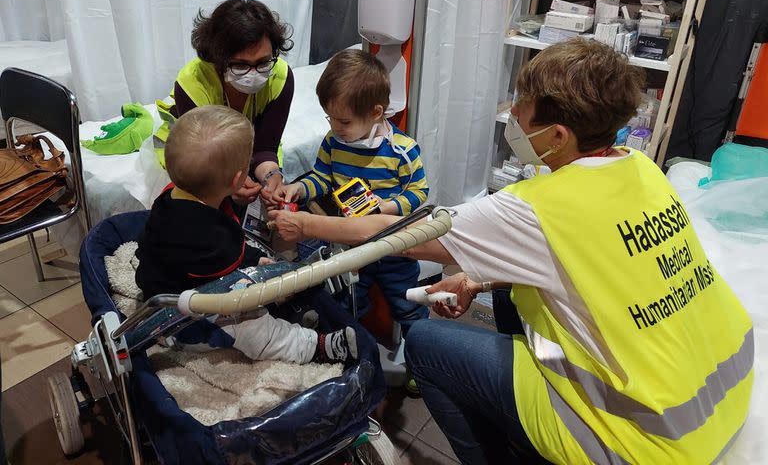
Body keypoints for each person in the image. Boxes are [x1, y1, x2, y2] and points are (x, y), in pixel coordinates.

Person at [268, 39, 754, 464]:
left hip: (645, 440)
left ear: (559, 136)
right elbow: (595, 264)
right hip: (718, 397)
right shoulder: (642, 169)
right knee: (505, 293)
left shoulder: (536, 207)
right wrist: (478, 277)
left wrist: (305, 223)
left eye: (520, 108)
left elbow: (402, 232)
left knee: (424, 345)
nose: (513, 116)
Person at [136, 105, 357, 365]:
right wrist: (258, 267)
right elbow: (234, 273)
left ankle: (296, 298)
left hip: (169, 285)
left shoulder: (172, 192)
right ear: (238, 178)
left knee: (263, 269)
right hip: (180, 320)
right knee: (253, 327)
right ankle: (312, 347)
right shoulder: (211, 237)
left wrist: (229, 192)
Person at [272, 49, 430, 341]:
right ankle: (351, 349)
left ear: (375, 113)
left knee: (407, 305)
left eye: (343, 122)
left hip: (395, 245)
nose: (334, 128)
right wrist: (299, 188)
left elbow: (419, 193)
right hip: (349, 246)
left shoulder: (402, 150)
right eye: (330, 118)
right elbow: (321, 178)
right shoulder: (334, 142)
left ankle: (420, 359)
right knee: (346, 302)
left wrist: (389, 207)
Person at [156, 0, 294, 206]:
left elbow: (266, 147)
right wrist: (231, 188)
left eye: (263, 62)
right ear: (217, 58)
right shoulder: (192, 84)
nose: (253, 73)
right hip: (199, 155)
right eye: (240, 65)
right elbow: (202, 159)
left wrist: (271, 175)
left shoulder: (280, 77)